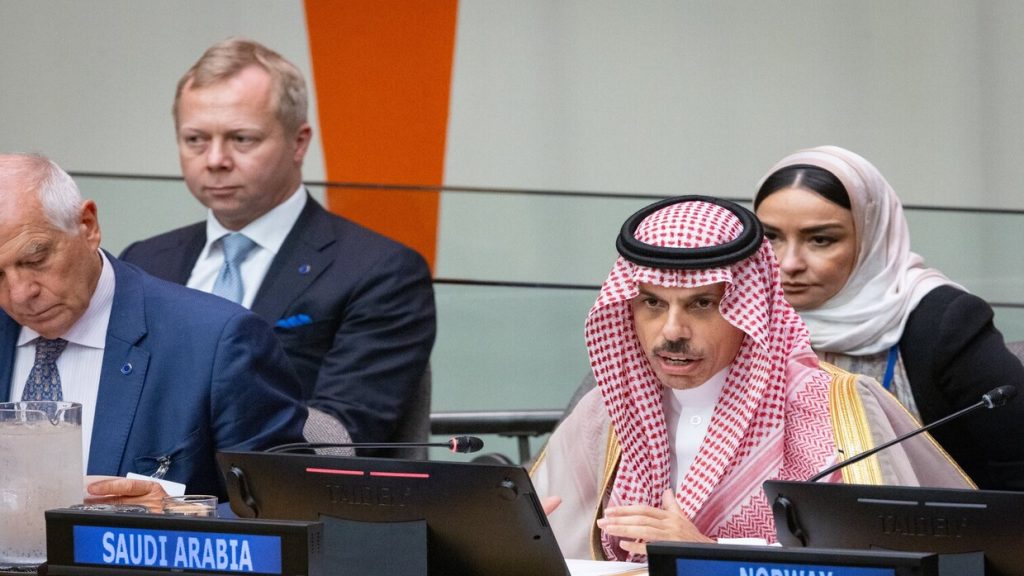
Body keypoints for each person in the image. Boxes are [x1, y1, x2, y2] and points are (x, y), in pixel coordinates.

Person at [530, 196, 972, 562]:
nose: (672, 331)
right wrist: (524, 539)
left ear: (750, 309)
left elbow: (889, 565)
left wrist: (706, 556)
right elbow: (549, 539)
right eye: (652, 303)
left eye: (702, 304)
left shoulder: (839, 410)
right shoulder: (608, 411)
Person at [119, 38, 436, 453]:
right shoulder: (143, 262)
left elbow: (340, 438)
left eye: (242, 139)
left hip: (280, 489)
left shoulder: (380, 271)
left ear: (298, 143)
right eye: (195, 139)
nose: (215, 159)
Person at [0, 153, 307, 510]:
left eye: (36, 260)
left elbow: (287, 508)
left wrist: (178, 516)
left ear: (87, 225)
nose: (20, 294)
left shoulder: (218, 343)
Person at [753, 145, 1024, 491]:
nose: (788, 263)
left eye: (820, 239)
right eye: (771, 237)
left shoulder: (943, 321)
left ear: (872, 236)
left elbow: (1016, 464)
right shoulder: (740, 318)